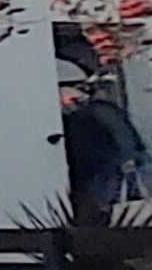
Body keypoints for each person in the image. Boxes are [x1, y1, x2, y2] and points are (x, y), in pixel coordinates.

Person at [62, 82, 149, 225]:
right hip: (109, 164)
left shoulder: (94, 112)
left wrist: (128, 157)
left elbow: (121, 136)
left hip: (106, 165)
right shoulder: (103, 110)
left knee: (107, 201)